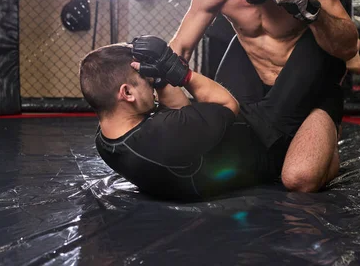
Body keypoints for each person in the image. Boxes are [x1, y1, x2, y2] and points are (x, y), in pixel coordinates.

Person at [169, 0, 359, 193]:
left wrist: (312, 11)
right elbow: (182, 47)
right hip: (255, 79)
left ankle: (321, 140)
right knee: (215, 157)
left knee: (300, 179)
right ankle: (296, 141)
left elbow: (348, 48)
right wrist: (158, 69)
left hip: (309, 88)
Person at [79, 32, 342, 201]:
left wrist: (159, 79)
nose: (149, 82)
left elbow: (180, 112)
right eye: (143, 80)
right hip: (265, 136)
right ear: (126, 93)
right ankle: (336, 83)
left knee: (248, 37)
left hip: (229, 131)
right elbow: (227, 103)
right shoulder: (165, 135)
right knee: (318, 47)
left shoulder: (106, 140)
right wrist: (178, 71)